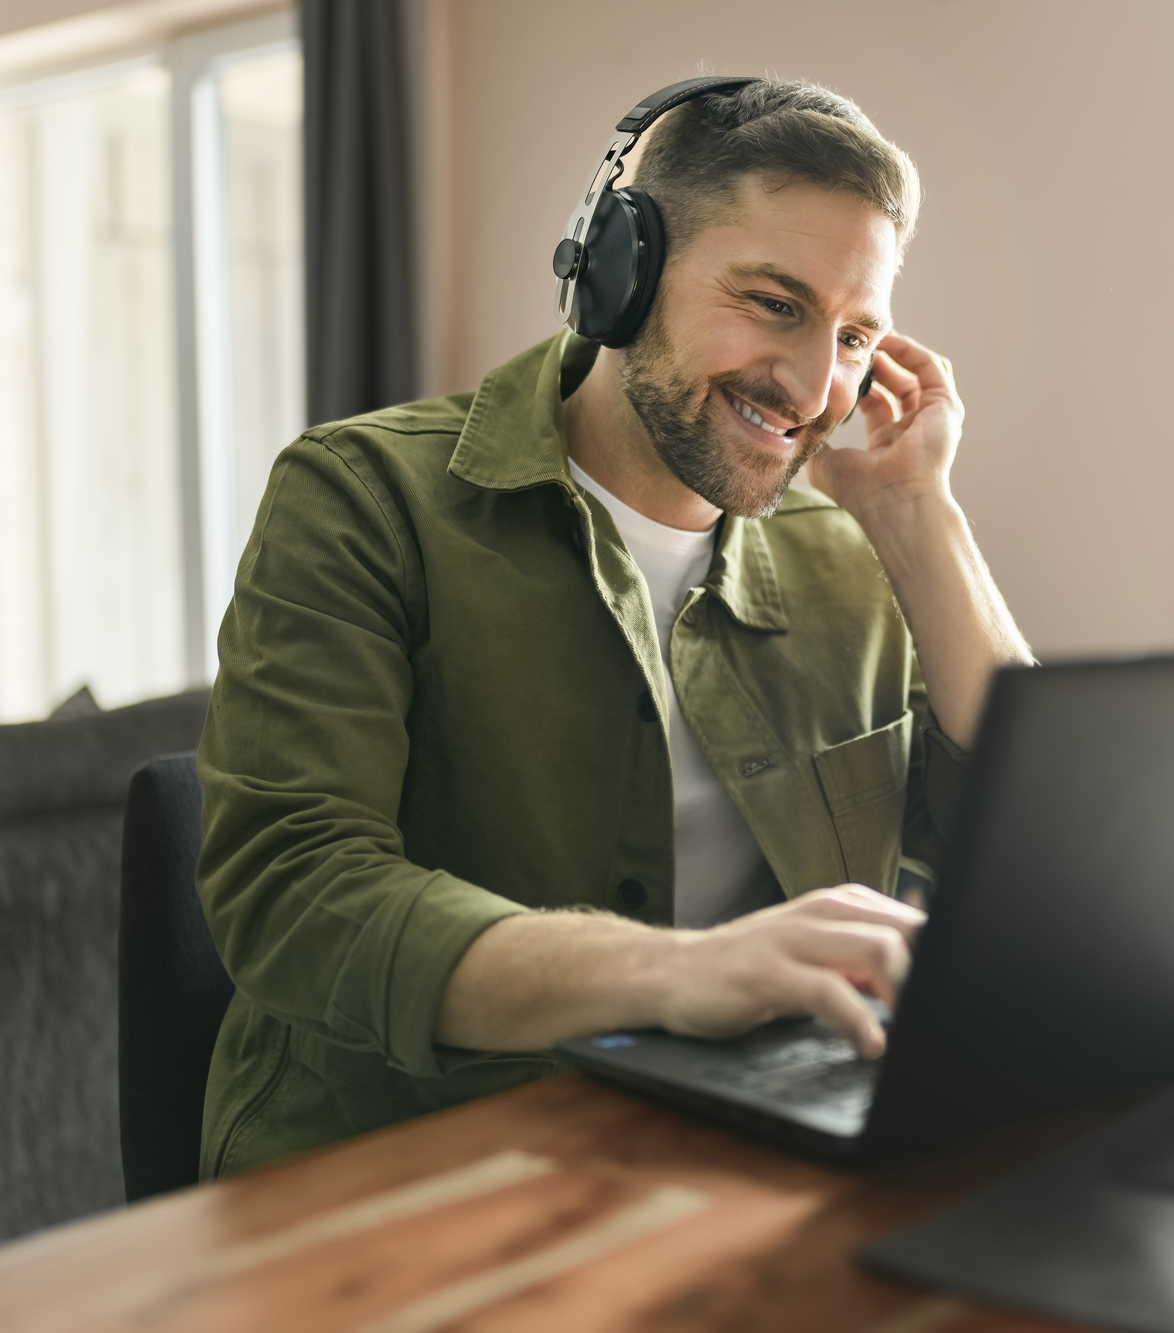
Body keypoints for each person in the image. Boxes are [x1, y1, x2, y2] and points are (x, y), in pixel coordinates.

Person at [195, 78, 1032, 1177]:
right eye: (773, 303)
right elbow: (294, 895)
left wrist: (919, 516)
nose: (816, 384)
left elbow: (1031, 856)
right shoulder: (362, 499)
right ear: (618, 274)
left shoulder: (847, 552)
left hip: (730, 1161)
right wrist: (681, 972)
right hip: (404, 1170)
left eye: (855, 333)